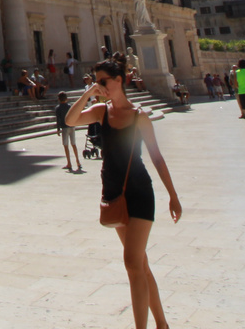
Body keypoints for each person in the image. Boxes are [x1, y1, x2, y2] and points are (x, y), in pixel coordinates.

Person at [64, 58, 183, 329]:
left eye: (104, 81)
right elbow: (70, 120)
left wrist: (173, 196)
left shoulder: (139, 116)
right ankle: (162, 324)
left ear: (120, 80)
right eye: (97, 81)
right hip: (113, 192)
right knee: (139, 262)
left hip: (139, 191)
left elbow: (157, 158)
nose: (100, 86)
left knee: (131, 262)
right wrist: (87, 93)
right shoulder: (100, 111)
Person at [56, 91, 82, 172]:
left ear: (59, 99)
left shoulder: (58, 108)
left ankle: (69, 163)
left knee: (66, 145)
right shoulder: (69, 106)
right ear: (66, 99)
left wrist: (58, 129)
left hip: (64, 127)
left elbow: (58, 119)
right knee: (74, 144)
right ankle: (78, 161)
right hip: (71, 125)